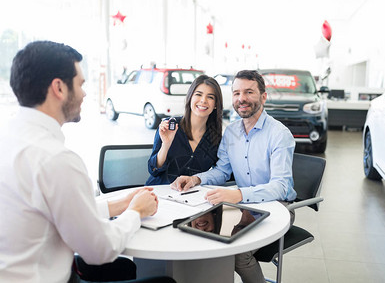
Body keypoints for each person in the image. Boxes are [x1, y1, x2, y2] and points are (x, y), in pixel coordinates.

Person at [0, 41, 174, 283]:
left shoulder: (9, 138)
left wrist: (118, 205)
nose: (84, 93)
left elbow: (57, 213)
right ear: (59, 88)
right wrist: (136, 211)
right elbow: (99, 250)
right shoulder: (56, 160)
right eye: (81, 84)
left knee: (123, 269)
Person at [171, 69, 297, 283]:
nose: (242, 99)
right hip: (245, 208)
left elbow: (281, 187)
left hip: (278, 207)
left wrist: (238, 195)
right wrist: (196, 179)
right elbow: (222, 171)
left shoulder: (279, 134)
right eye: (237, 93)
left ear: (263, 96)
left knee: (238, 253)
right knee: (204, 237)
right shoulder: (231, 132)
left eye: (249, 92)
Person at [145, 75, 223, 185]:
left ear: (215, 104)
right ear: (190, 97)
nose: (203, 100)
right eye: (198, 94)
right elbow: (153, 169)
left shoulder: (215, 138)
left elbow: (220, 172)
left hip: (191, 197)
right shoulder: (170, 126)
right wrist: (166, 145)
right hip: (159, 192)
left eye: (210, 97)